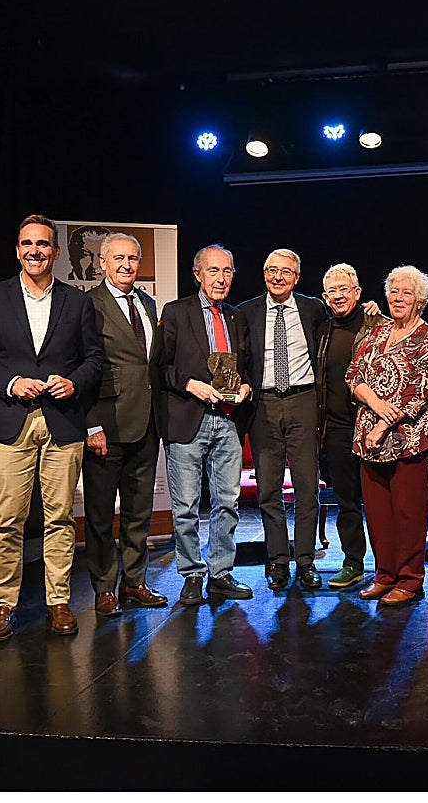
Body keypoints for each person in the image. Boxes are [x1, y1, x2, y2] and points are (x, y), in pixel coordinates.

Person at [0, 214, 103, 641]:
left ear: (57, 252)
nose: (35, 251)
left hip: (63, 423)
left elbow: (94, 361)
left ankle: (58, 600)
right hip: (10, 422)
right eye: (27, 243)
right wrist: (11, 382)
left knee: (61, 518)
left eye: (44, 244)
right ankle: (3, 606)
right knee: (6, 519)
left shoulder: (78, 301)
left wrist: (74, 381)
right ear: (17, 249)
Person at [345, 266, 428, 607]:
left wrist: (381, 425)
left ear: (420, 300)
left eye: (406, 293)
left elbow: (419, 389)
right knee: (377, 514)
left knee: (408, 513)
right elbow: (353, 374)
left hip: (408, 438)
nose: (397, 297)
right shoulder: (375, 334)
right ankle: (384, 575)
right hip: (369, 440)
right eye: (393, 291)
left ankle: (409, 579)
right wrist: (372, 402)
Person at [159, 244, 254, 606]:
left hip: (228, 421)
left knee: (227, 502)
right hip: (188, 418)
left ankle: (220, 573)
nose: (221, 278)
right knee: (185, 506)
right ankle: (192, 575)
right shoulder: (176, 312)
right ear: (197, 274)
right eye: (213, 271)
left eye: (227, 271)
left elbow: (243, 365)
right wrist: (190, 384)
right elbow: (162, 368)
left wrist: (244, 385)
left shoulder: (236, 317)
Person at [82, 232, 168, 617]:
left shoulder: (147, 303)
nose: (126, 265)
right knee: (101, 514)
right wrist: (90, 425)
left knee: (139, 512)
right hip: (107, 425)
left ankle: (134, 583)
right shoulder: (88, 305)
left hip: (147, 424)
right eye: (118, 259)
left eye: (133, 259)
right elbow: (81, 369)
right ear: (102, 263)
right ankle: (104, 588)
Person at [239, 249, 329, 591]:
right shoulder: (246, 312)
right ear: (264, 274)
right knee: (268, 488)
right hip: (263, 405)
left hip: (304, 400)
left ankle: (305, 561)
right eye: (272, 270)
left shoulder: (312, 309)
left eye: (286, 272)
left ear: (297, 277)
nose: (278, 277)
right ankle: (277, 559)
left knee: (308, 486)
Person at [315, 263, 387, 589]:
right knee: (346, 502)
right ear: (325, 297)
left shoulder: (376, 325)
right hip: (338, 431)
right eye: (333, 291)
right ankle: (353, 563)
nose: (339, 296)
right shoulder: (324, 331)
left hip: (373, 428)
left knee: (380, 502)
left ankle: (389, 568)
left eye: (345, 289)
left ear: (358, 293)